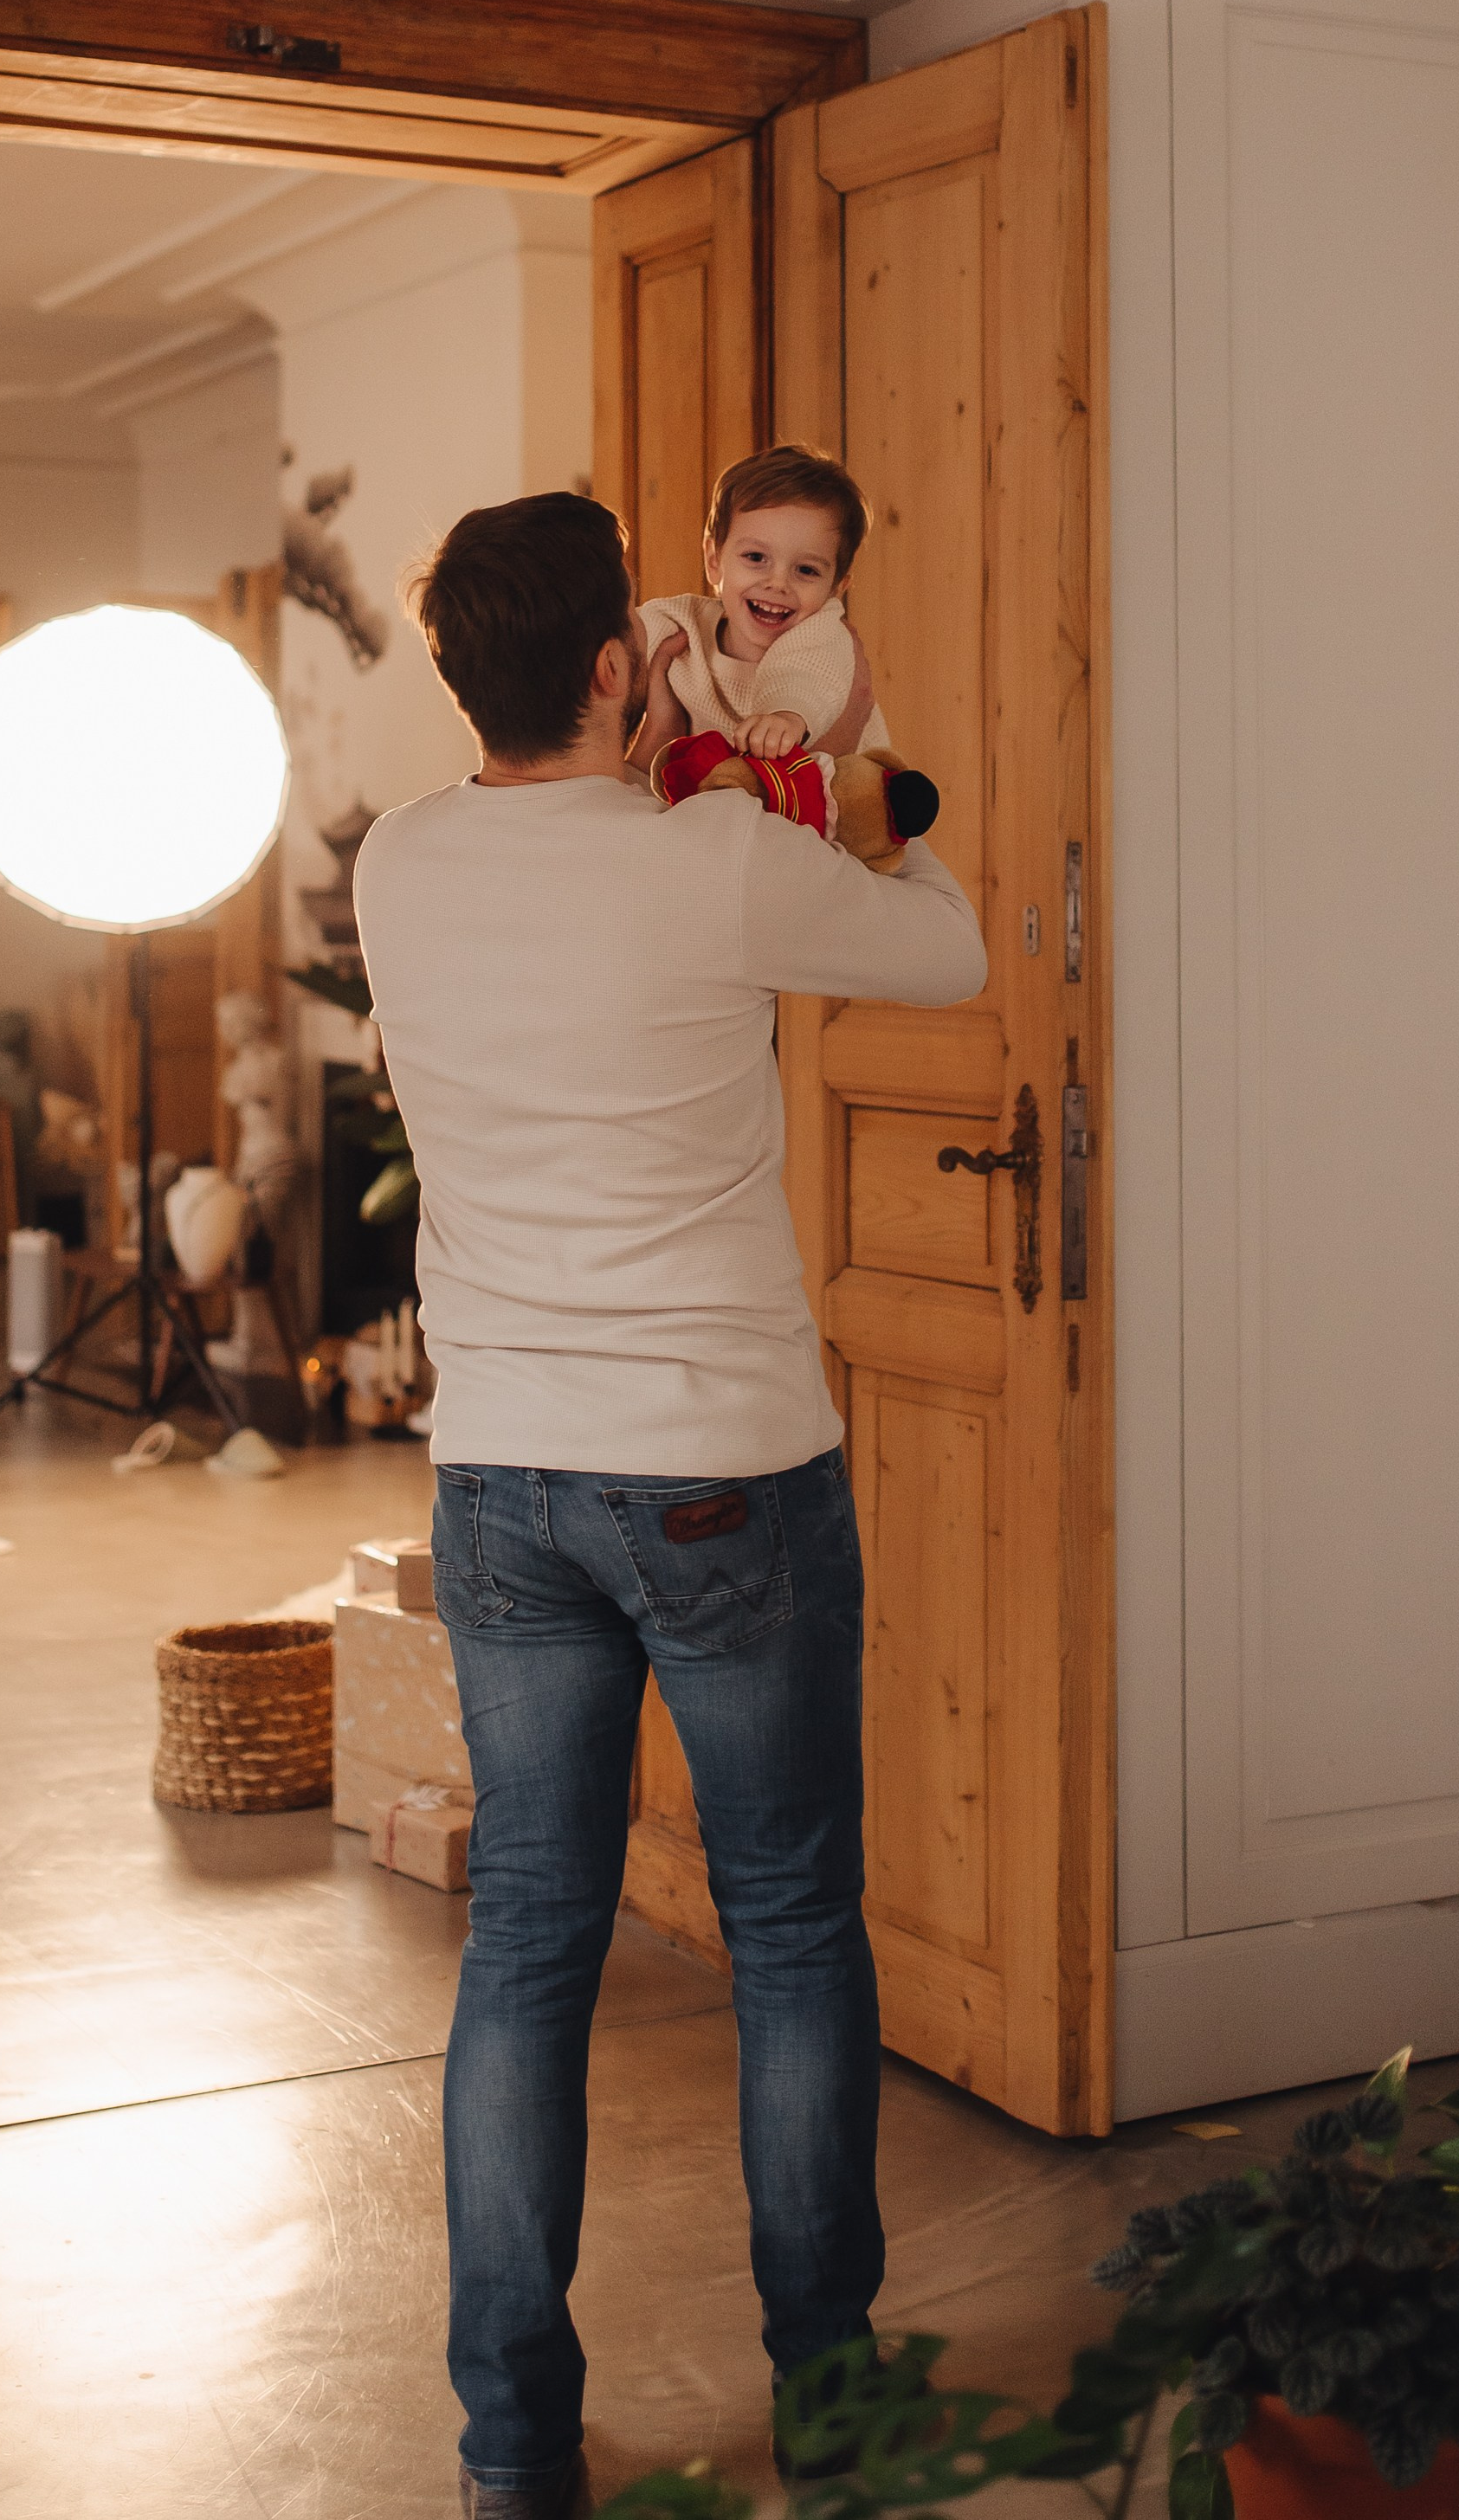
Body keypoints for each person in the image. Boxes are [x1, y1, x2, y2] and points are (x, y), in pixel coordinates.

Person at [354, 488, 987, 2520]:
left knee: (528, 1940)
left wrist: (647, 690)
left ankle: (510, 2453)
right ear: (617, 664)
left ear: (458, 669)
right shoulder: (719, 862)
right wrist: (871, 778)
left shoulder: (402, 868)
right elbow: (951, 943)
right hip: (716, 1471)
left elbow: (572, 746)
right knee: (790, 1930)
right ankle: (831, 2414)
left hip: (501, 1485)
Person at [633, 442, 882, 774]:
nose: (777, 584)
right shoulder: (688, 626)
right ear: (714, 560)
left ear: (836, 587)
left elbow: (803, 677)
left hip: (848, 805)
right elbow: (641, 631)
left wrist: (786, 716)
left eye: (806, 570)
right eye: (755, 558)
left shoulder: (823, 635)